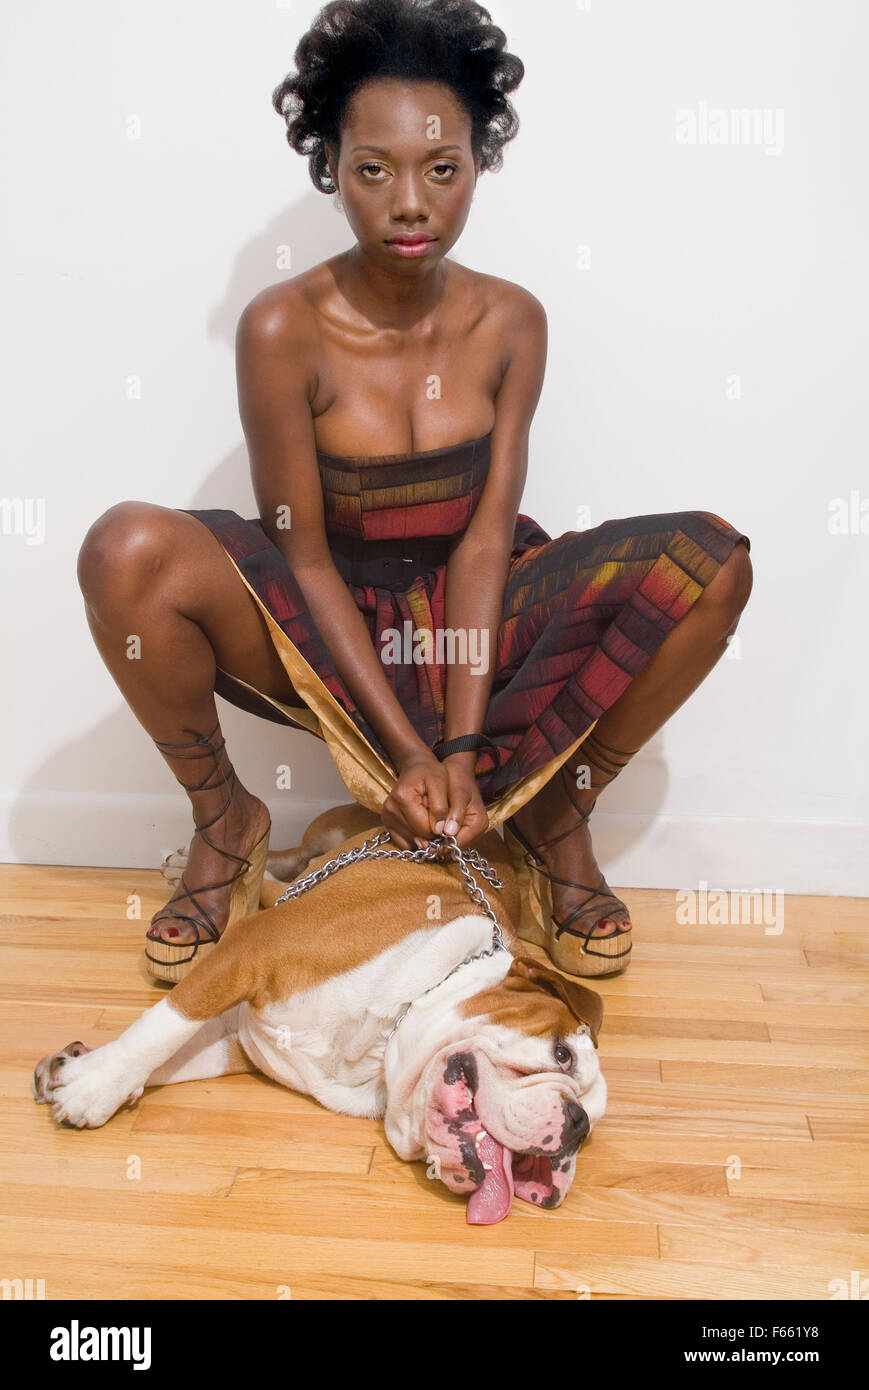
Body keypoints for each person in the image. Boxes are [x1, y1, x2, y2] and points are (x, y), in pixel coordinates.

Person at [76, 0, 752, 985]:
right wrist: (405, 755)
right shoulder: (280, 327)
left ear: (478, 165)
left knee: (712, 563)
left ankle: (558, 812)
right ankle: (225, 823)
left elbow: (482, 542)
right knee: (121, 550)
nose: (408, 204)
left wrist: (465, 745)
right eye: (372, 170)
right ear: (331, 170)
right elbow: (299, 552)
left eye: (441, 169)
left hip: (467, 616)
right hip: (328, 611)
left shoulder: (512, 320)